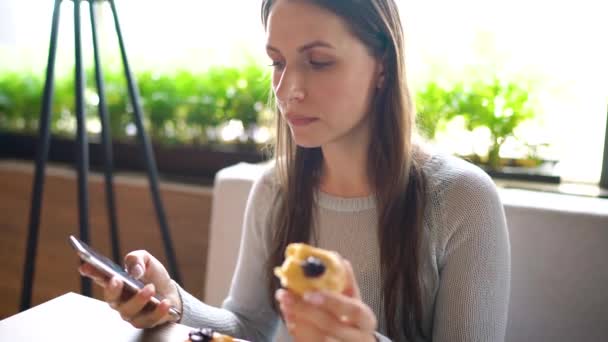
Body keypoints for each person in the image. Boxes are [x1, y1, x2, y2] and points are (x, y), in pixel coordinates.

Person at [79, 0, 511, 341]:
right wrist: (174, 302)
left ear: (383, 64)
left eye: (319, 61)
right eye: (278, 62)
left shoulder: (461, 200)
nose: (287, 91)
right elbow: (249, 327)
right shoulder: (275, 189)